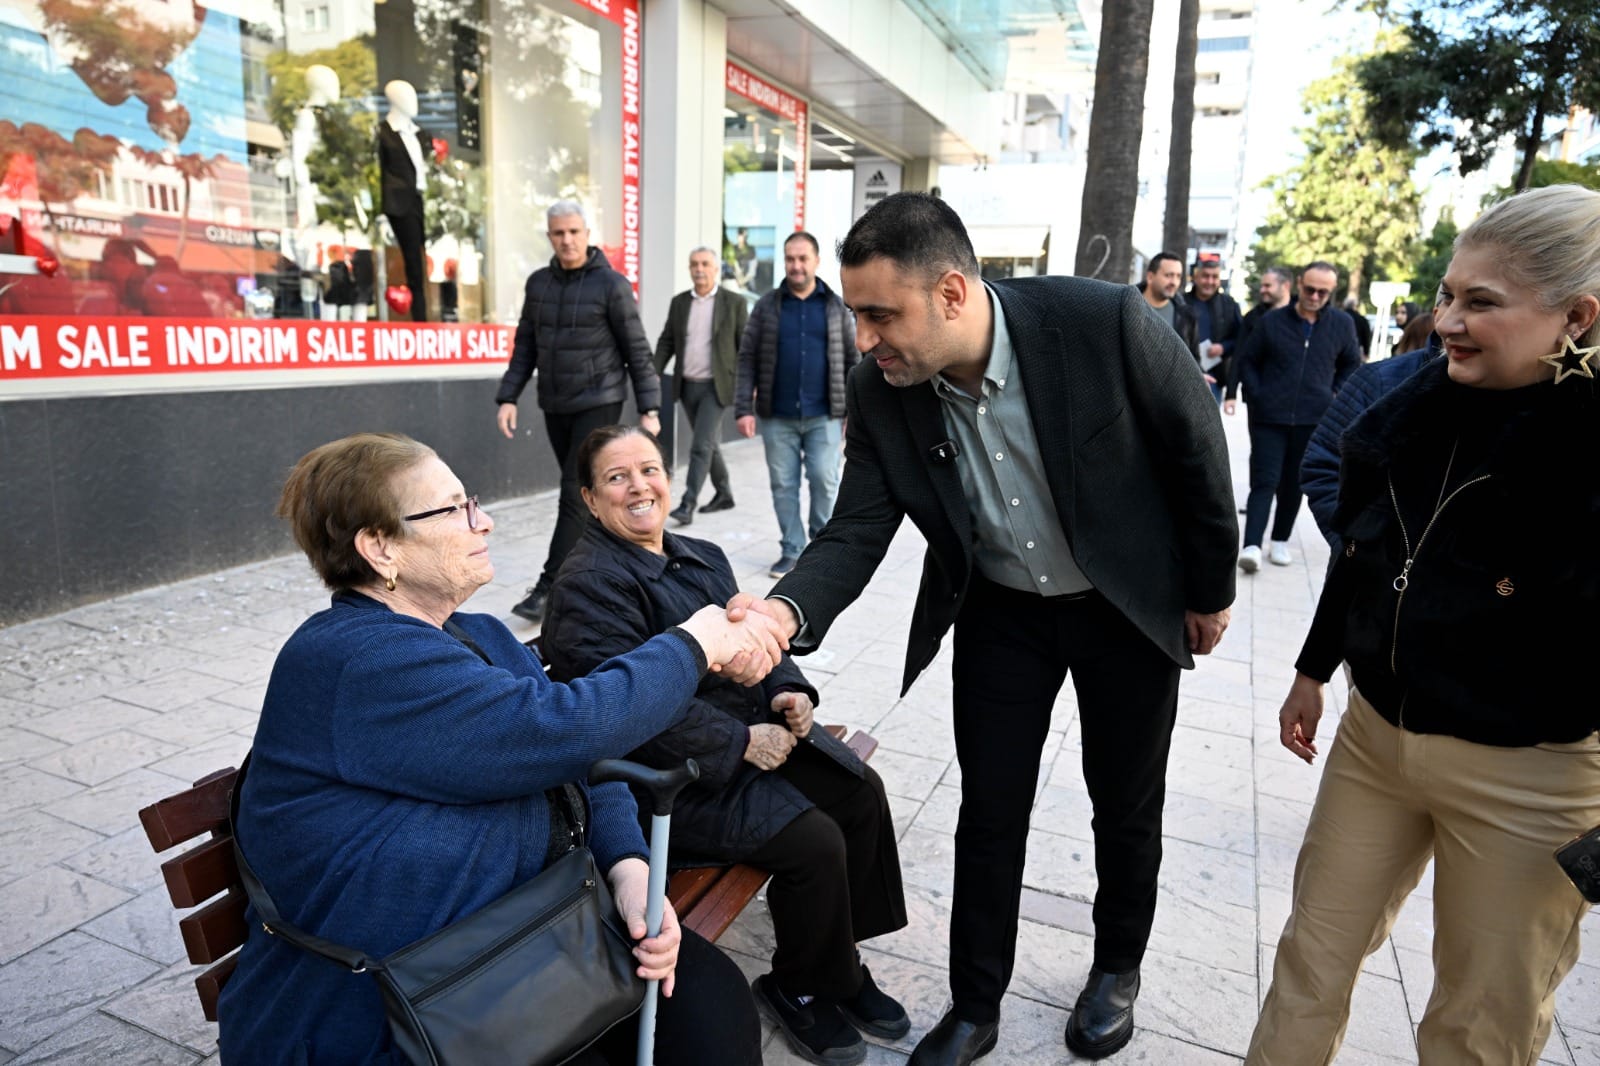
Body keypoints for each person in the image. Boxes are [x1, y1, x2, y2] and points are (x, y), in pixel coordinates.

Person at [734, 193, 1238, 1064]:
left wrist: (1208, 589)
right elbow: (856, 526)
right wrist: (783, 611)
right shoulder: (882, 388)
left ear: (954, 294)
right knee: (990, 813)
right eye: (857, 316)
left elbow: (1196, 451)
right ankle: (975, 1004)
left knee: (1125, 804)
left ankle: (1116, 968)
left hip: (1122, 607)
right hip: (1002, 613)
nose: (864, 339)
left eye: (880, 315)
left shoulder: (1104, 321)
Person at [217, 432, 786, 1065]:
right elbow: (568, 729)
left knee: (711, 1008)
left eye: (474, 501)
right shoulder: (352, 659)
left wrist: (629, 869)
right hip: (407, 1000)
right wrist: (694, 642)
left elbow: (579, 762)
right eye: (454, 508)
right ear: (380, 548)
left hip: (524, 938)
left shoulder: (480, 634)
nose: (482, 520)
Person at [1249, 184, 1600, 1064]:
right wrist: (1315, 665)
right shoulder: (1410, 402)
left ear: (1577, 318)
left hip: (1533, 779)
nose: (1446, 320)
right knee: (1309, 963)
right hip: (1376, 741)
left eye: (1481, 302)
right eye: (1448, 293)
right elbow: (1368, 547)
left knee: (1479, 1030)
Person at [543, 424, 911, 1066]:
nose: (639, 486)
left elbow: (759, 642)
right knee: (814, 840)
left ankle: (840, 965)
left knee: (858, 790)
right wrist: (739, 740)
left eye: (650, 469)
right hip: (667, 779)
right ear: (590, 499)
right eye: (616, 477)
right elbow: (621, 710)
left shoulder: (702, 553)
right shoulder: (590, 584)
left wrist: (788, 694)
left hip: (745, 741)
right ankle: (796, 986)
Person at [495, 200, 662, 622]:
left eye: (573, 232)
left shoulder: (611, 284)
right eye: (558, 233)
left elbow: (636, 350)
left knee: (574, 492)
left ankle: (550, 588)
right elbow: (525, 346)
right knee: (588, 497)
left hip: (599, 400)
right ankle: (607, 571)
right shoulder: (538, 285)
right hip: (555, 404)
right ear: (550, 236)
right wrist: (508, 396)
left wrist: (650, 406)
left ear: (587, 234)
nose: (566, 240)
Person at [734, 230, 859, 578]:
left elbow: (854, 360)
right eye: (790, 259)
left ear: (816, 261)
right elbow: (746, 359)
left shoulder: (836, 307)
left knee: (824, 479)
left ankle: (820, 548)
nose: (796, 265)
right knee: (783, 484)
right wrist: (743, 407)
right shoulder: (766, 307)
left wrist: (855, 412)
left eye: (803, 258)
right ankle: (791, 549)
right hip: (777, 416)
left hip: (825, 415)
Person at [1230, 261, 1362, 571]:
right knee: (1264, 481)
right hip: (1269, 417)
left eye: (1323, 292)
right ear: (1299, 284)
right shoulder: (1273, 321)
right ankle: (1251, 545)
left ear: (1331, 292)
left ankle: (1279, 541)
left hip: (1313, 419)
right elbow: (1247, 360)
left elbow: (1350, 364)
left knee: (1294, 484)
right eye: (1310, 289)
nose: (1315, 296)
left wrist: (1333, 396)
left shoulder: (1341, 325)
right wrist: (1257, 394)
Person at [653, 246, 748, 525]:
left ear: (716, 268)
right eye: (694, 264)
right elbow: (667, 340)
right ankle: (724, 493)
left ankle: (687, 503)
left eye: (705, 263)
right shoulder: (680, 302)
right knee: (708, 444)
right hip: (687, 385)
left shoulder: (734, 303)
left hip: (716, 387)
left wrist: (746, 385)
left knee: (699, 446)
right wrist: (653, 371)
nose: (699, 269)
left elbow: (745, 347)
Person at [375, 79, 430, 322]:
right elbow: (377, 172)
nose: (414, 102)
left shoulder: (418, 134)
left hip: (417, 202)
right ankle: (413, 320)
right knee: (404, 263)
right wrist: (380, 213)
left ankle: (421, 319)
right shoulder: (384, 133)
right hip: (396, 206)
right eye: (408, 96)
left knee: (417, 263)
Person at [1226, 266, 1293, 406]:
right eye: (1262, 286)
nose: (1262, 290)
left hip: (1293, 398)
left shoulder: (1301, 316)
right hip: (1258, 398)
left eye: (1268, 286)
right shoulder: (1253, 317)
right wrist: (1231, 394)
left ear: (1286, 286)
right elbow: (1239, 354)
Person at [1188, 259, 1243, 404]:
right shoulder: (1181, 302)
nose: (1210, 281)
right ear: (1196, 277)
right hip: (1184, 373)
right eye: (1205, 276)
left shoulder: (1229, 305)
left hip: (1214, 378)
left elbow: (1241, 338)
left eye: (1215, 277)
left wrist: (1223, 347)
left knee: (1209, 424)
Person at [1137, 252, 1199, 359]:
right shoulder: (1128, 307)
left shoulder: (1186, 315)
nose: (1174, 282)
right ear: (1150, 277)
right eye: (1168, 275)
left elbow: (1193, 359)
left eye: (1178, 276)